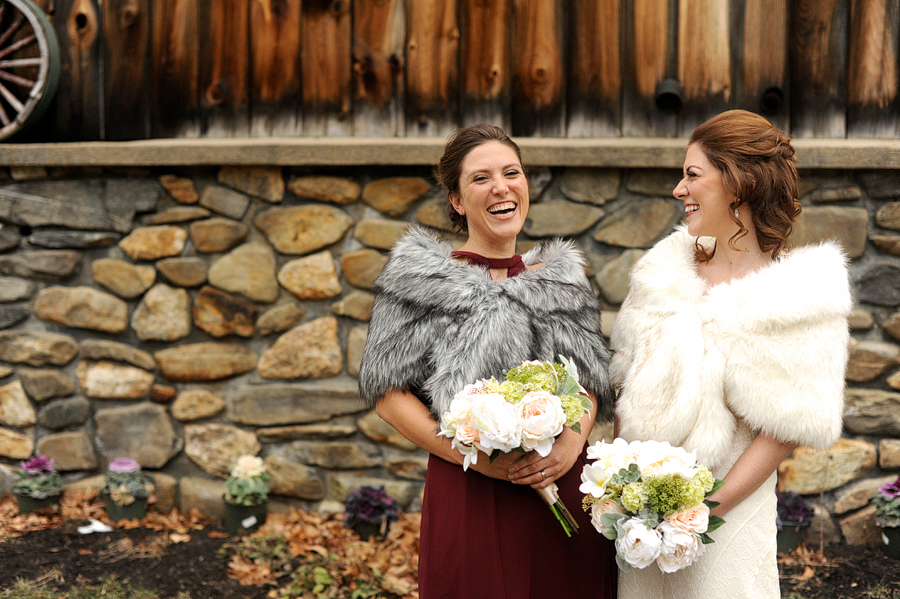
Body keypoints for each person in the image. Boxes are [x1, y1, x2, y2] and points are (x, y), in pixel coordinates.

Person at [358, 123, 618, 599]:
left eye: (511, 172)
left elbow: (590, 384)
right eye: (480, 178)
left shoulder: (563, 280)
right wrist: (477, 461)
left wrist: (570, 448)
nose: (501, 187)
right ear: (457, 200)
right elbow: (389, 398)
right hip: (469, 489)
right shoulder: (417, 279)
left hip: (562, 490)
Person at [610, 109, 852, 598]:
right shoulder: (660, 274)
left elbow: (783, 431)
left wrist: (703, 513)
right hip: (643, 515)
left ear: (738, 184)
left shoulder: (803, 295)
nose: (679, 189)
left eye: (692, 175)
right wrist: (622, 496)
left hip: (731, 512)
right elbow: (625, 392)